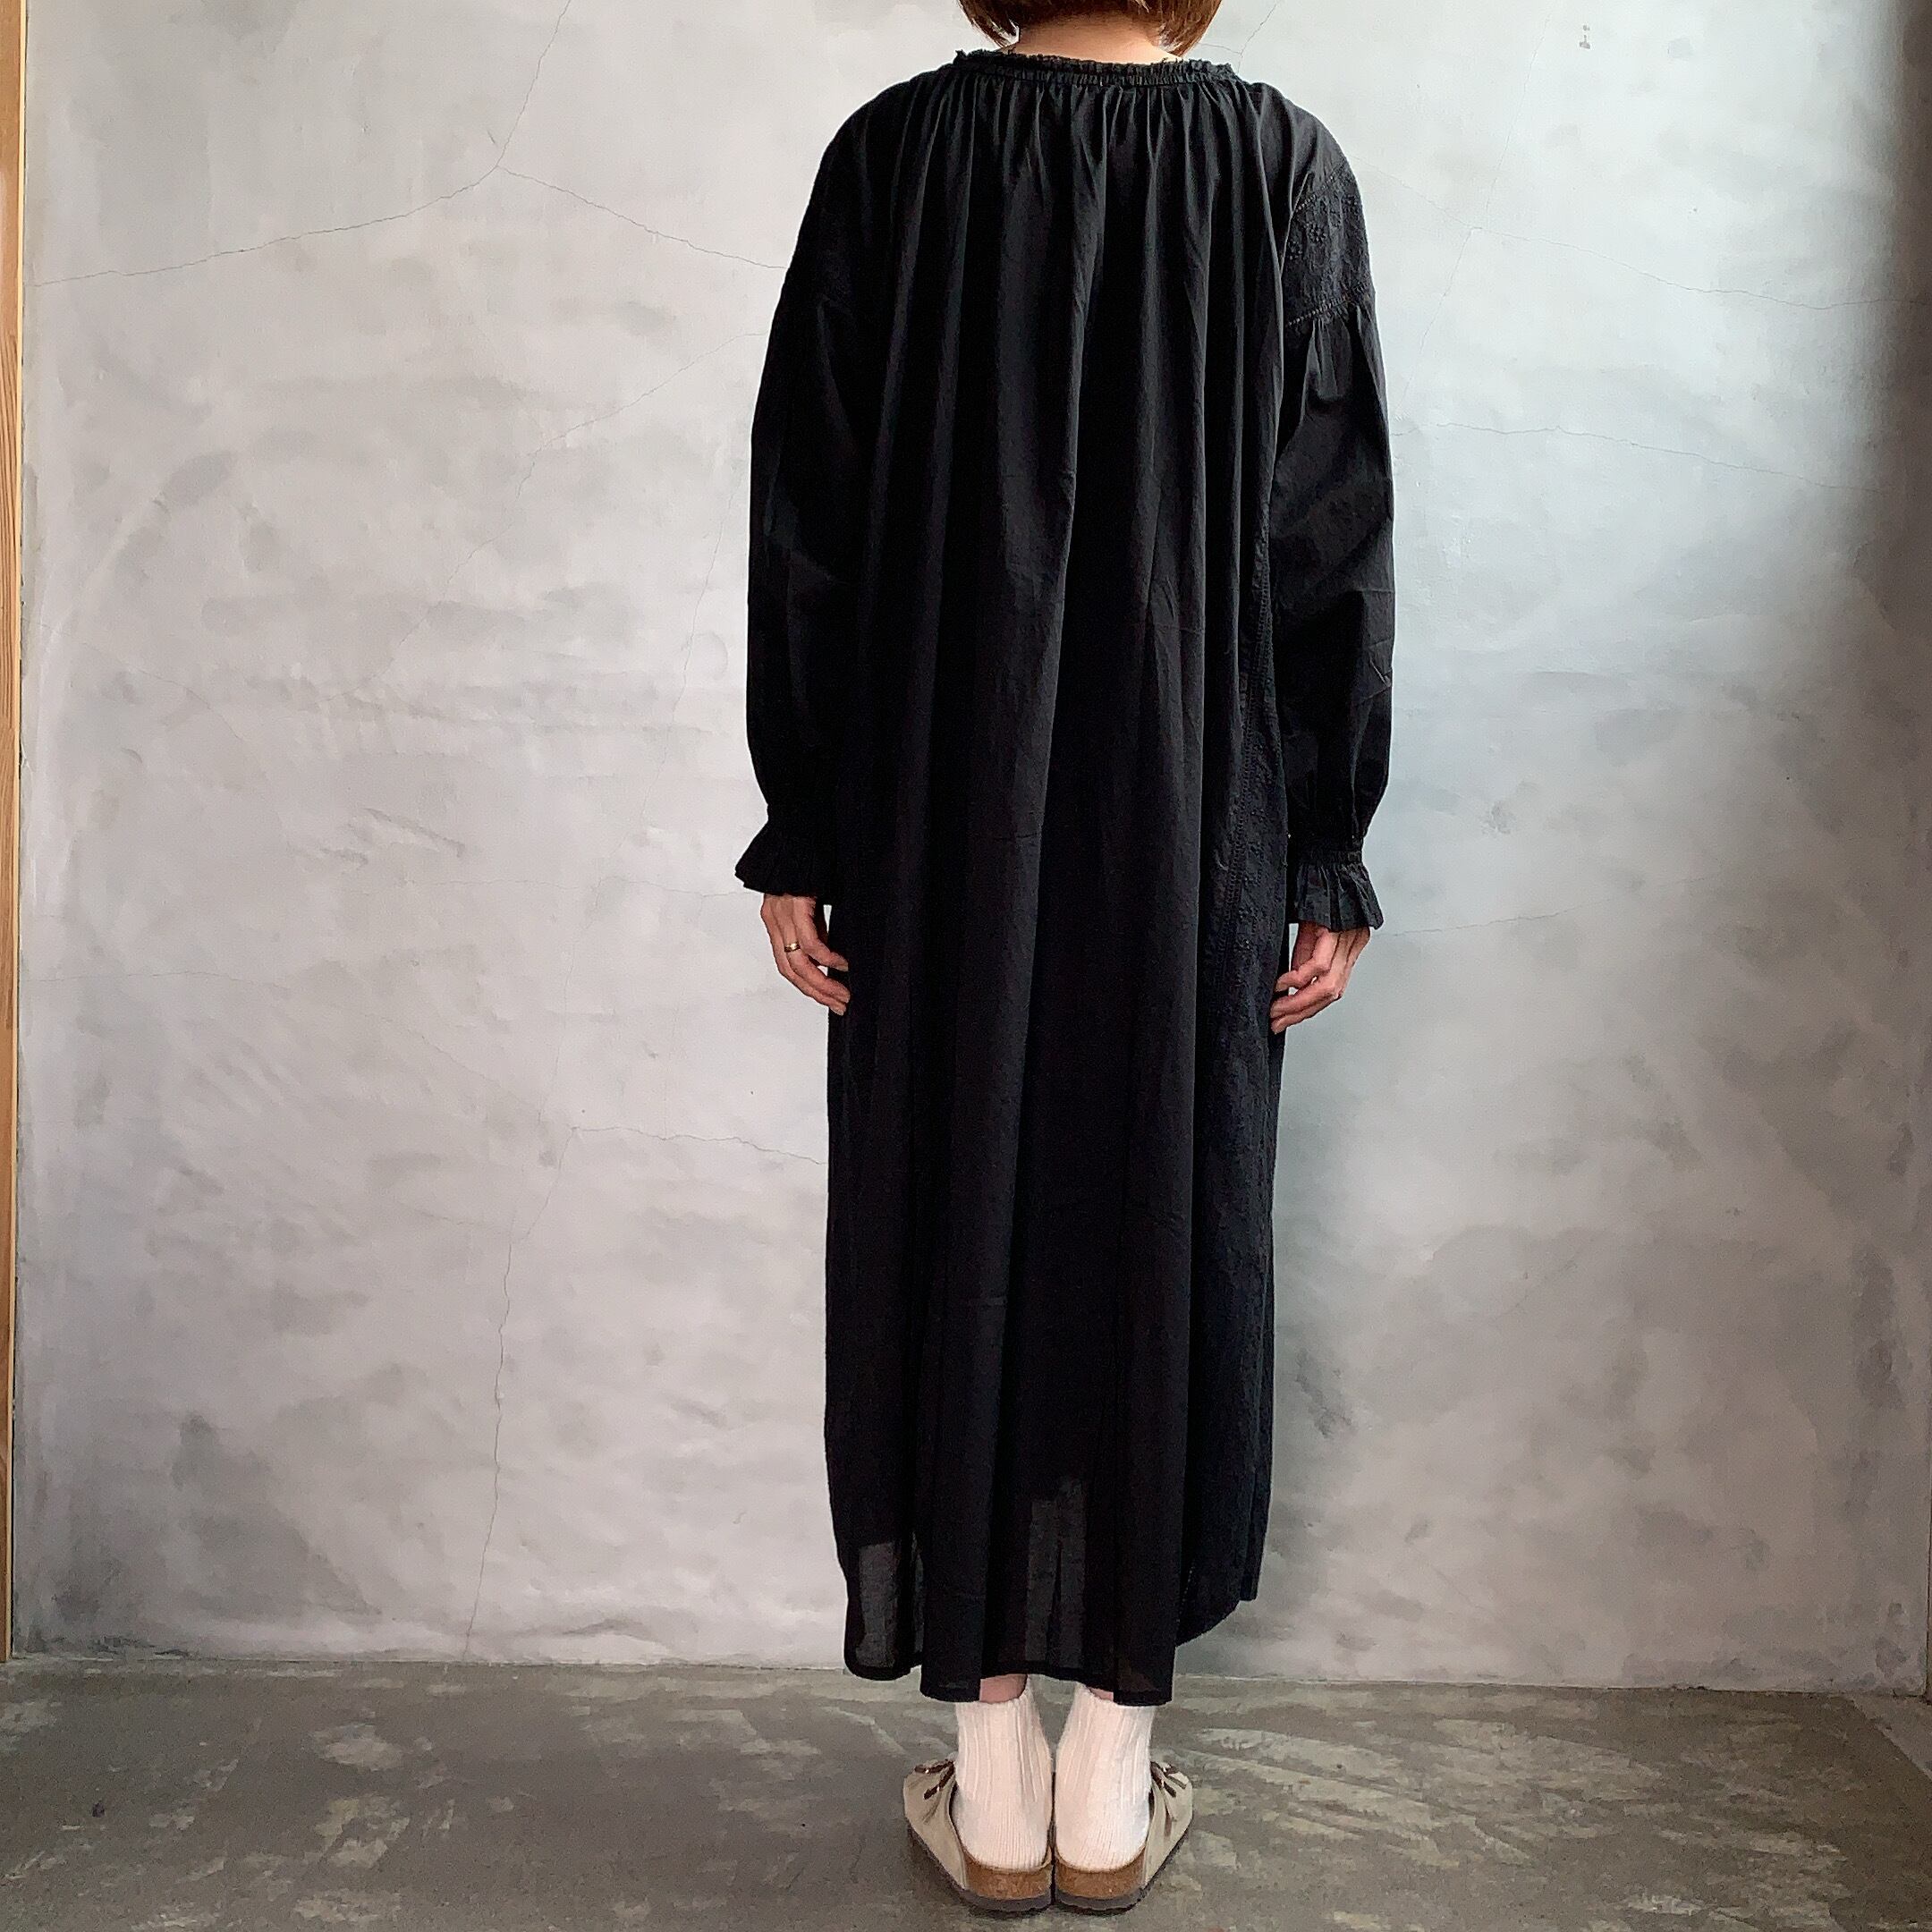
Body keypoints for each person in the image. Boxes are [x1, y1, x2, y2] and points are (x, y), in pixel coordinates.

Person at [734, 0, 1394, 1911]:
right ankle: (1112, 1782)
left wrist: (807, 820)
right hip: (1198, 817)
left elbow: (809, 518)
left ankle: (994, 1777)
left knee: (952, 1211)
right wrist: (1325, 845)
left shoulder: (894, 157)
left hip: (943, 815)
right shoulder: (1281, 170)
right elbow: (1329, 532)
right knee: (1161, 1218)